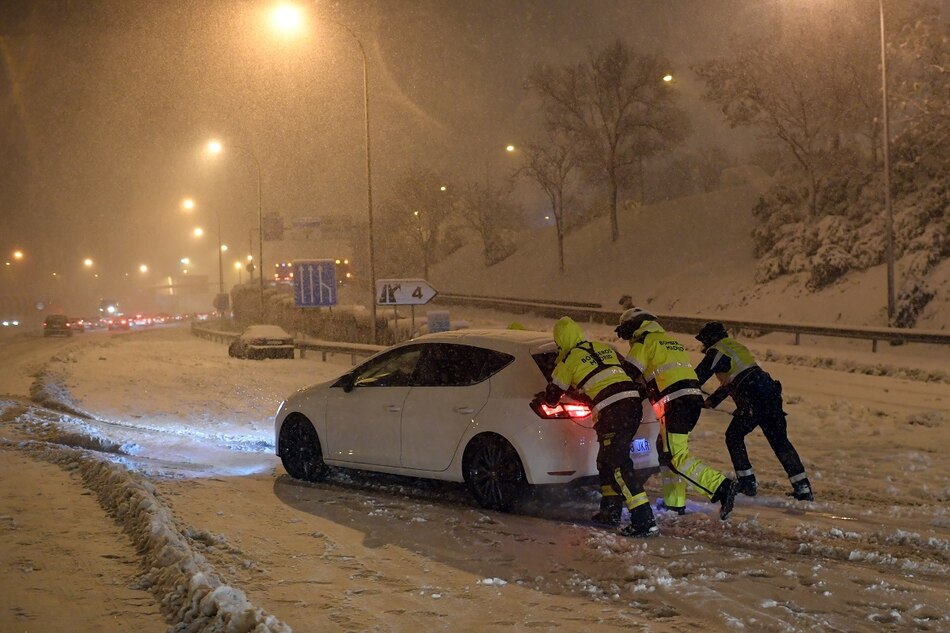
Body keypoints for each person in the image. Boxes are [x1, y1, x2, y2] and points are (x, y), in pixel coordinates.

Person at [535, 316, 659, 537]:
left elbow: (553, 397)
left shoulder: (569, 361)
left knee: (618, 464)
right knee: (605, 461)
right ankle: (610, 511)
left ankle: (644, 520)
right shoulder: (603, 348)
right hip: (632, 404)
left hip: (612, 410)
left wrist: (541, 399)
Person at [615, 307, 738, 520]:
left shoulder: (645, 343)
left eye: (626, 331)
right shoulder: (667, 341)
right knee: (666, 453)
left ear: (634, 327)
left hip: (674, 403)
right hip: (689, 400)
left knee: (675, 456)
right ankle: (674, 503)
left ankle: (721, 487)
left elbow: (629, 376)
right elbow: (662, 375)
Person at [694, 322, 814, 501]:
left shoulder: (717, 351)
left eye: (703, 341)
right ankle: (802, 487)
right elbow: (735, 377)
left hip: (752, 395)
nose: (702, 346)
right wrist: (712, 401)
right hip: (769, 391)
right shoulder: (735, 347)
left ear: (710, 339)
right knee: (780, 441)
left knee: (734, 435)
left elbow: (697, 377)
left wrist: (686, 391)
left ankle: (747, 483)